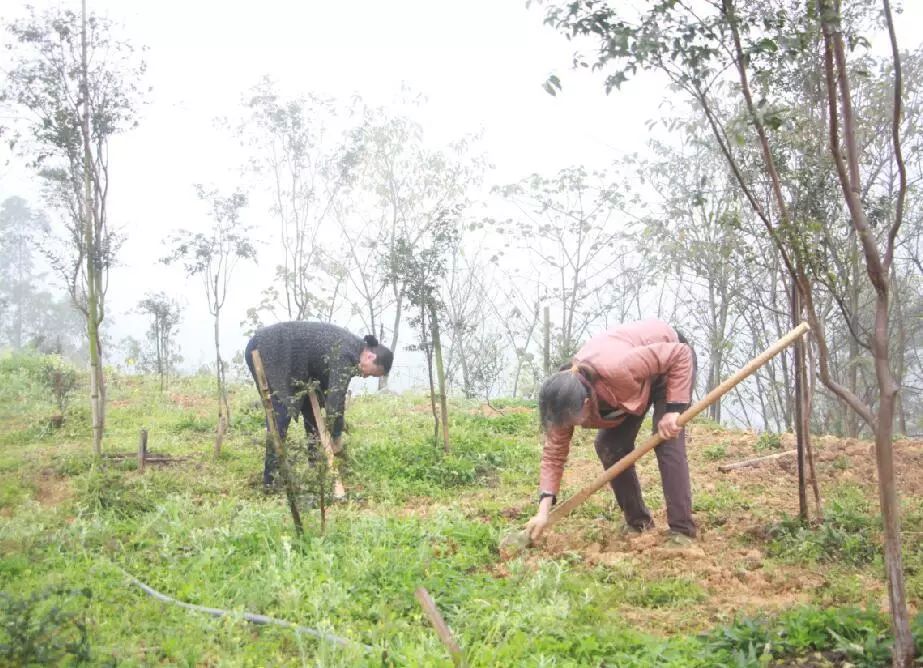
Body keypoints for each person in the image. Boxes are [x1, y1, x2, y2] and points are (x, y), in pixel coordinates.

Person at [526, 319, 697, 545]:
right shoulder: (563, 399)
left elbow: (680, 354)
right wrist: (543, 510)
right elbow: (553, 454)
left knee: (667, 440)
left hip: (669, 365)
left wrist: (673, 411)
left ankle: (682, 531)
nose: (569, 427)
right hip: (629, 387)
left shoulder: (620, 367)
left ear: (586, 404)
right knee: (609, 446)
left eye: (572, 422)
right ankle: (638, 523)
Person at [244, 321, 393, 487]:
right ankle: (270, 480)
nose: (366, 376)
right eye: (372, 373)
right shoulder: (345, 353)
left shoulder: (352, 348)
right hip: (268, 349)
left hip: (293, 362)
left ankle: (315, 467)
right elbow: (334, 404)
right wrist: (336, 437)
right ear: (370, 357)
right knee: (279, 415)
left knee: (312, 414)